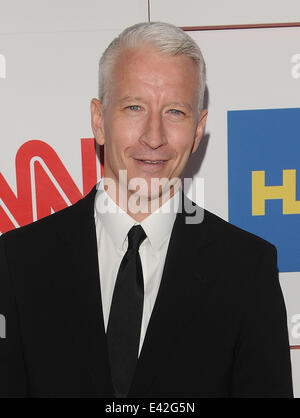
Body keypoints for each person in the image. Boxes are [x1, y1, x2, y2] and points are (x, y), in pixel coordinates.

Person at [0, 22, 293, 398]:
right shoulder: (18, 261)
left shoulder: (247, 271)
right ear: (98, 120)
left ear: (198, 129)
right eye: (134, 107)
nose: (153, 136)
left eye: (175, 112)